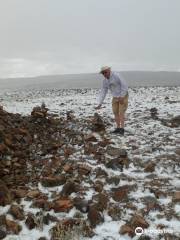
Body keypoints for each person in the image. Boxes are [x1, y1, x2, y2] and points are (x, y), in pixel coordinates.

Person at [95, 66, 128, 135]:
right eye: (103, 73)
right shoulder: (105, 81)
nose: (104, 74)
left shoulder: (116, 76)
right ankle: (118, 128)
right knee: (115, 112)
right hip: (115, 97)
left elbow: (124, 85)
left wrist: (122, 96)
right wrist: (100, 103)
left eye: (105, 72)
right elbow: (103, 91)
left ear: (109, 70)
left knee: (121, 112)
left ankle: (122, 129)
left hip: (123, 95)